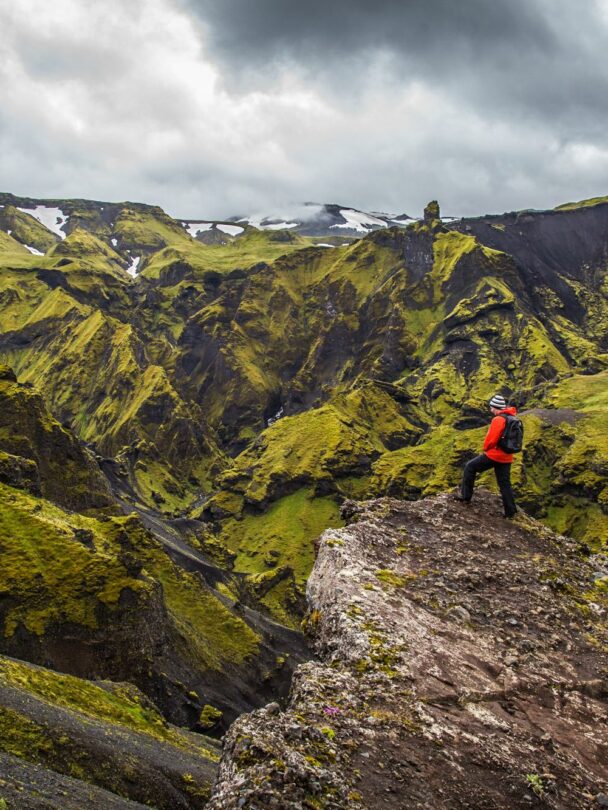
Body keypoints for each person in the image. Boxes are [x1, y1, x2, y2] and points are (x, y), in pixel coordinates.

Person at [453, 394, 518, 518]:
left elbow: (491, 439)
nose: (490, 409)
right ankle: (511, 512)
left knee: (470, 467)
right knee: (505, 484)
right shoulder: (511, 418)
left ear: (495, 407)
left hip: (495, 455)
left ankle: (465, 496)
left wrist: (485, 449)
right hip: (507, 457)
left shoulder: (498, 419)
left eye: (491, 407)